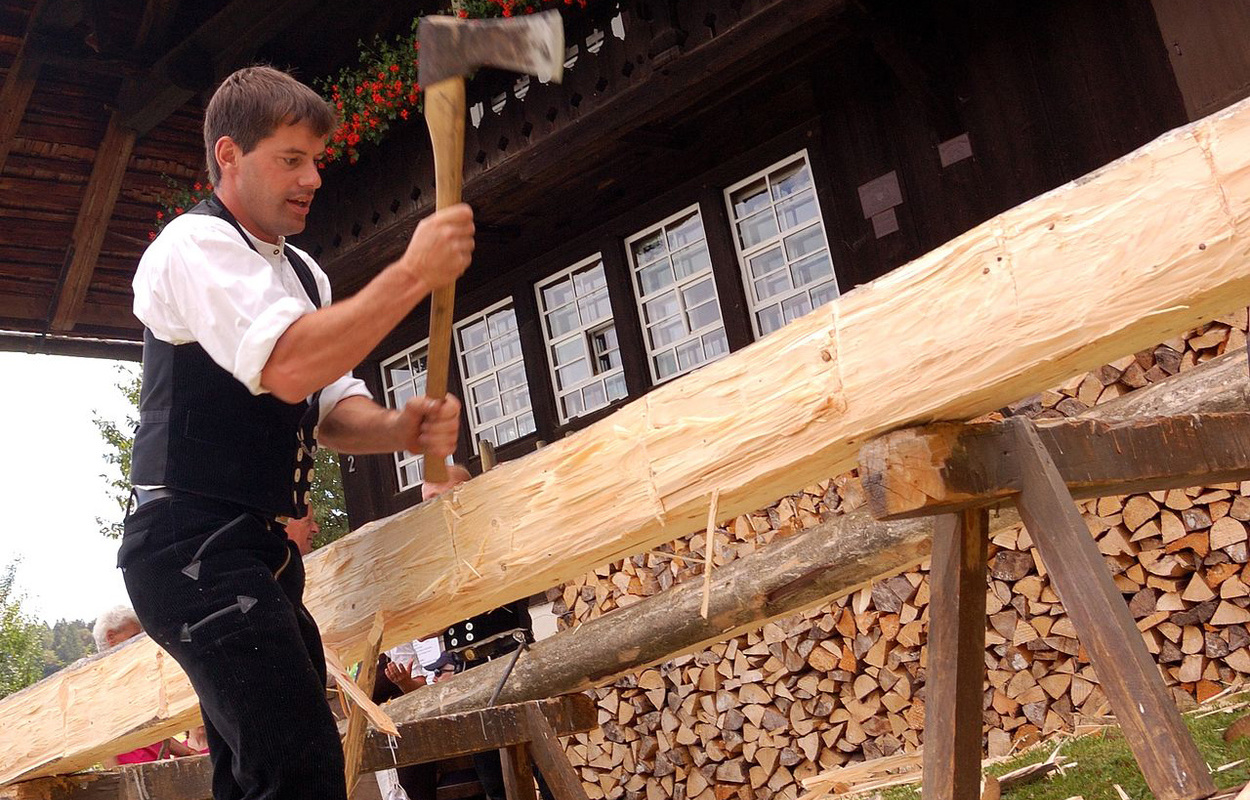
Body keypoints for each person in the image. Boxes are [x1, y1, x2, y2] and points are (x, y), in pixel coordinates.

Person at [118, 65, 473, 800]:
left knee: (262, 774)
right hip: (187, 546)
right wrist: (412, 272)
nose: (313, 178)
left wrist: (401, 427)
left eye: (317, 160)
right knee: (298, 768)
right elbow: (286, 365)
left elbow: (330, 408)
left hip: (255, 552)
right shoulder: (193, 246)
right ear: (228, 156)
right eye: (291, 159)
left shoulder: (305, 275)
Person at [92, 606, 200, 766]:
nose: (140, 643)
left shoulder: (135, 678)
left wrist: (188, 753)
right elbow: (101, 741)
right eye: (135, 637)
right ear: (111, 637)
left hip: (158, 774)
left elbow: (151, 735)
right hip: (133, 777)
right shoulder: (100, 685)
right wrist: (120, 784)